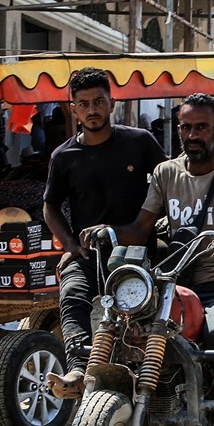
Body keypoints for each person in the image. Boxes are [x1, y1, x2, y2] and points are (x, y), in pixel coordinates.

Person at [69, 92, 214, 426]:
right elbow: (142, 227)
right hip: (172, 280)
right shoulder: (165, 173)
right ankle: (104, 425)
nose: (193, 135)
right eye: (186, 127)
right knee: (126, 331)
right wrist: (108, 230)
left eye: (202, 127)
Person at [43, 67, 168, 386]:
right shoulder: (63, 156)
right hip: (89, 256)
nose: (92, 109)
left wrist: (151, 223)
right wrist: (70, 245)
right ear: (73, 109)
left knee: (153, 321)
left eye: (98, 101)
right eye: (83, 103)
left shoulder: (140, 142)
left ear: (112, 102)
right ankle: (78, 368)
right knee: (72, 293)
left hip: (140, 255)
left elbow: (169, 185)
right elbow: (50, 206)